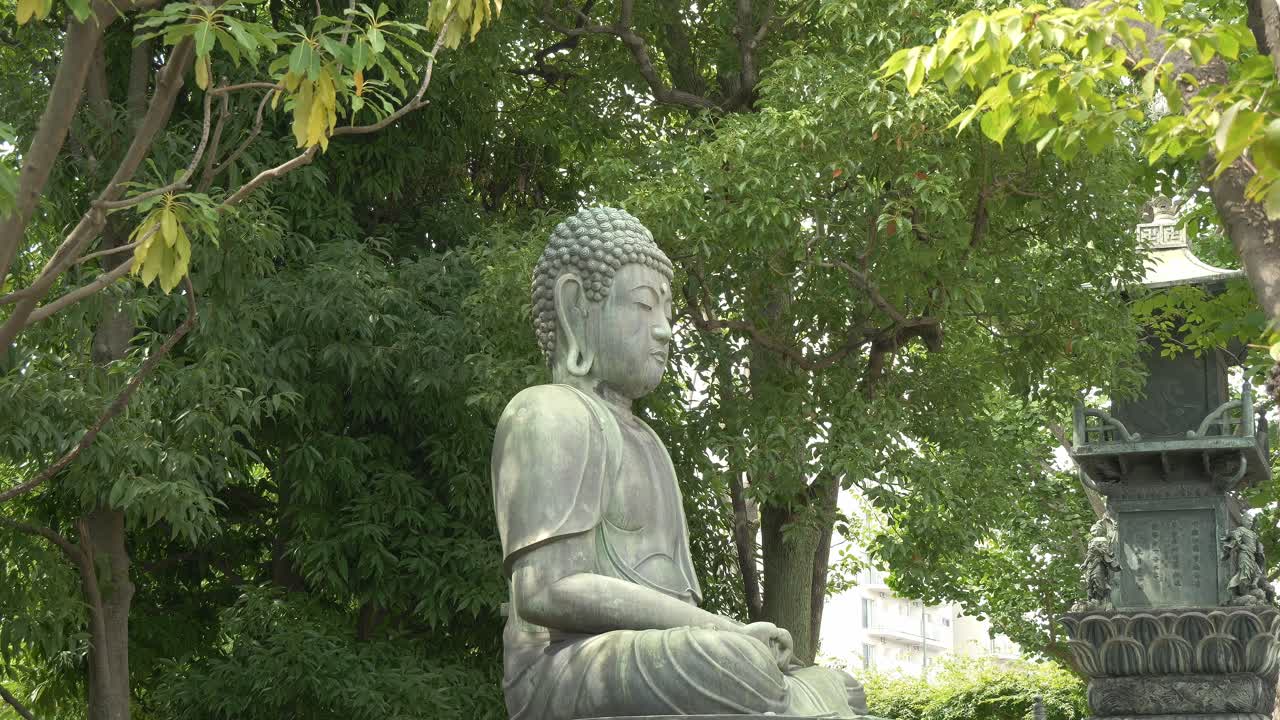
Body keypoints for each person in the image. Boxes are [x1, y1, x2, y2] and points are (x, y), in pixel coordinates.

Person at [492, 207, 871, 720]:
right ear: (575, 307)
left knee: (839, 685)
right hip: (563, 664)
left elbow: (682, 608)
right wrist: (725, 632)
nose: (666, 330)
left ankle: (798, 698)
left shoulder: (649, 444)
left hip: (657, 652)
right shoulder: (547, 411)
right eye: (644, 307)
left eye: (666, 312)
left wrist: (724, 632)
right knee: (738, 663)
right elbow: (546, 590)